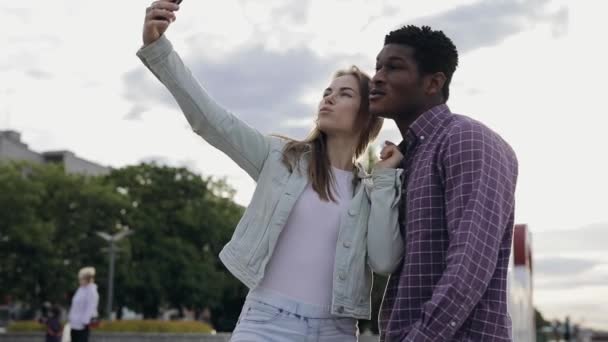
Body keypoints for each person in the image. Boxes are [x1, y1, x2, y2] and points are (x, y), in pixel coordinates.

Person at [137, 1, 405, 340]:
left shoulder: (369, 191)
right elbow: (210, 119)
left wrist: (384, 179)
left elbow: (384, 261)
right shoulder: (281, 158)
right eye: (327, 92)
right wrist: (158, 49)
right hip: (266, 322)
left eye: (344, 94)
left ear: (367, 115)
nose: (329, 99)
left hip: (334, 330)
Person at [369, 25, 519, 341]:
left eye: (393, 67)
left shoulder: (464, 138)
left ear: (434, 82)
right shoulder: (408, 156)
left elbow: (471, 263)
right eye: (378, 67)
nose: (378, 77)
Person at [68, 267, 99, 342]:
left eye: (81, 278)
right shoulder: (81, 289)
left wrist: (85, 321)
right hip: (74, 324)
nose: (79, 281)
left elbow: (90, 308)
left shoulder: (91, 291)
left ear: (87, 279)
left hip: (82, 325)